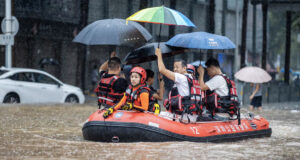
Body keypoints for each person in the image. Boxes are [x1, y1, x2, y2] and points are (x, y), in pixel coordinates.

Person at [155, 48, 202, 120]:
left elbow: (162, 70)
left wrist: (159, 55)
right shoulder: (193, 79)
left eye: (177, 67)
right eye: (174, 67)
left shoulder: (182, 78)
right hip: (192, 115)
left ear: (184, 68)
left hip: (185, 116)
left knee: (157, 115)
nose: (175, 69)